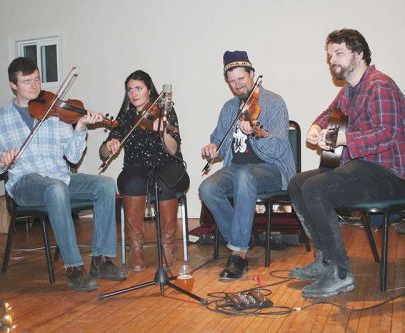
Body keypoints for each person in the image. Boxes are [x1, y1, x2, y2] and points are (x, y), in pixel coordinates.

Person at [0, 57, 127, 292]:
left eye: (37, 79)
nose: (35, 85)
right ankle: (73, 269)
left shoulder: (54, 111)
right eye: (27, 81)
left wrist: (80, 127)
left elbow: (72, 157)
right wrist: (1, 161)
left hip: (60, 176)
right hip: (25, 182)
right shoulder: (0, 120)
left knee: (106, 185)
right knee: (55, 189)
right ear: (13, 85)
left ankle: (101, 260)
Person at [288, 29, 405, 298]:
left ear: (359, 53)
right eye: (330, 56)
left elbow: (389, 132)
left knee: (316, 188)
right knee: (298, 183)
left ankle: (341, 273)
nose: (333, 61)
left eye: (338, 53)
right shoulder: (350, 90)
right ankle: (325, 259)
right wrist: (316, 128)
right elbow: (328, 113)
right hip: (362, 169)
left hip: (389, 174)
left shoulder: (380, 85)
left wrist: (345, 139)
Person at [199, 51, 295, 281]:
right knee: (207, 189)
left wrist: (255, 134)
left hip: (272, 168)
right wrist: (212, 147)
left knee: (244, 176)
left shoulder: (274, 103)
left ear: (252, 74)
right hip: (238, 169)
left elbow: (279, 148)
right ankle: (242, 236)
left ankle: (238, 254)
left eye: (241, 79)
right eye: (231, 82)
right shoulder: (229, 108)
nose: (237, 86)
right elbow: (220, 143)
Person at [99, 70, 189, 272]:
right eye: (130, 90)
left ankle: (167, 248)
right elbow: (103, 153)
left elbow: (173, 149)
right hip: (136, 168)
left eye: (138, 88)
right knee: (131, 182)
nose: (133, 93)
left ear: (149, 90)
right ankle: (136, 250)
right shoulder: (126, 117)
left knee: (165, 183)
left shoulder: (165, 111)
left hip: (167, 165)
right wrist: (110, 144)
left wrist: (163, 129)